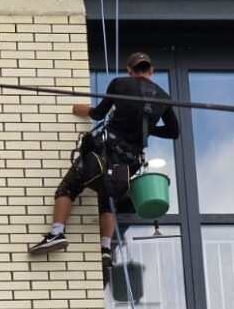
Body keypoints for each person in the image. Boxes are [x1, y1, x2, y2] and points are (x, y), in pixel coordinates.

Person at [28, 51, 179, 278]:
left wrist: (85, 111)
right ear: (151, 70)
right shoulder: (164, 97)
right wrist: (148, 129)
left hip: (105, 151)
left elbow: (99, 114)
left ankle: (57, 233)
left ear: (129, 69)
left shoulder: (120, 83)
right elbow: (173, 132)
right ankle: (106, 248)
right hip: (130, 161)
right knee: (108, 199)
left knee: (67, 187)